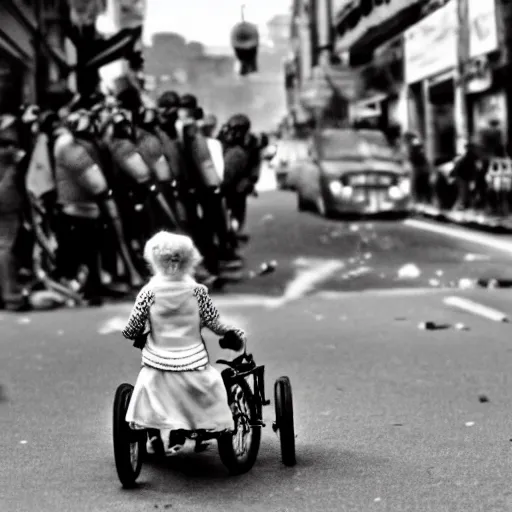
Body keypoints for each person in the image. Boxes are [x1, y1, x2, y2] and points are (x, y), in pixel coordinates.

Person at [121, 231, 247, 455]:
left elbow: (131, 330)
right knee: (213, 385)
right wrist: (233, 332)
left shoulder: (147, 294)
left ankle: (153, 434)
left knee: (148, 387)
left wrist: (139, 333)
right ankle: (194, 427)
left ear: (153, 259)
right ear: (190, 259)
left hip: (157, 364)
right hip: (193, 363)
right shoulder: (198, 293)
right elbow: (215, 323)